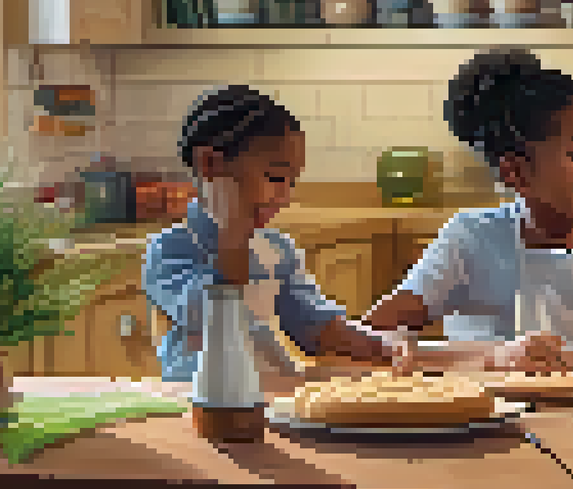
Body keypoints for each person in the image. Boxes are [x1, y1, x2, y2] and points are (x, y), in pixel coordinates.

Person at [363, 48, 573, 371]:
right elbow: (371, 335)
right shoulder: (472, 238)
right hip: (496, 413)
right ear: (516, 173)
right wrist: (493, 357)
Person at [143, 85, 409, 386]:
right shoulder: (171, 249)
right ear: (211, 164)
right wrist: (233, 230)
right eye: (275, 178)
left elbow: (315, 325)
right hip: (199, 399)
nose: (284, 197)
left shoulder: (277, 250)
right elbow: (214, 313)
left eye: (292, 182)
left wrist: (381, 345)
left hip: (271, 392)